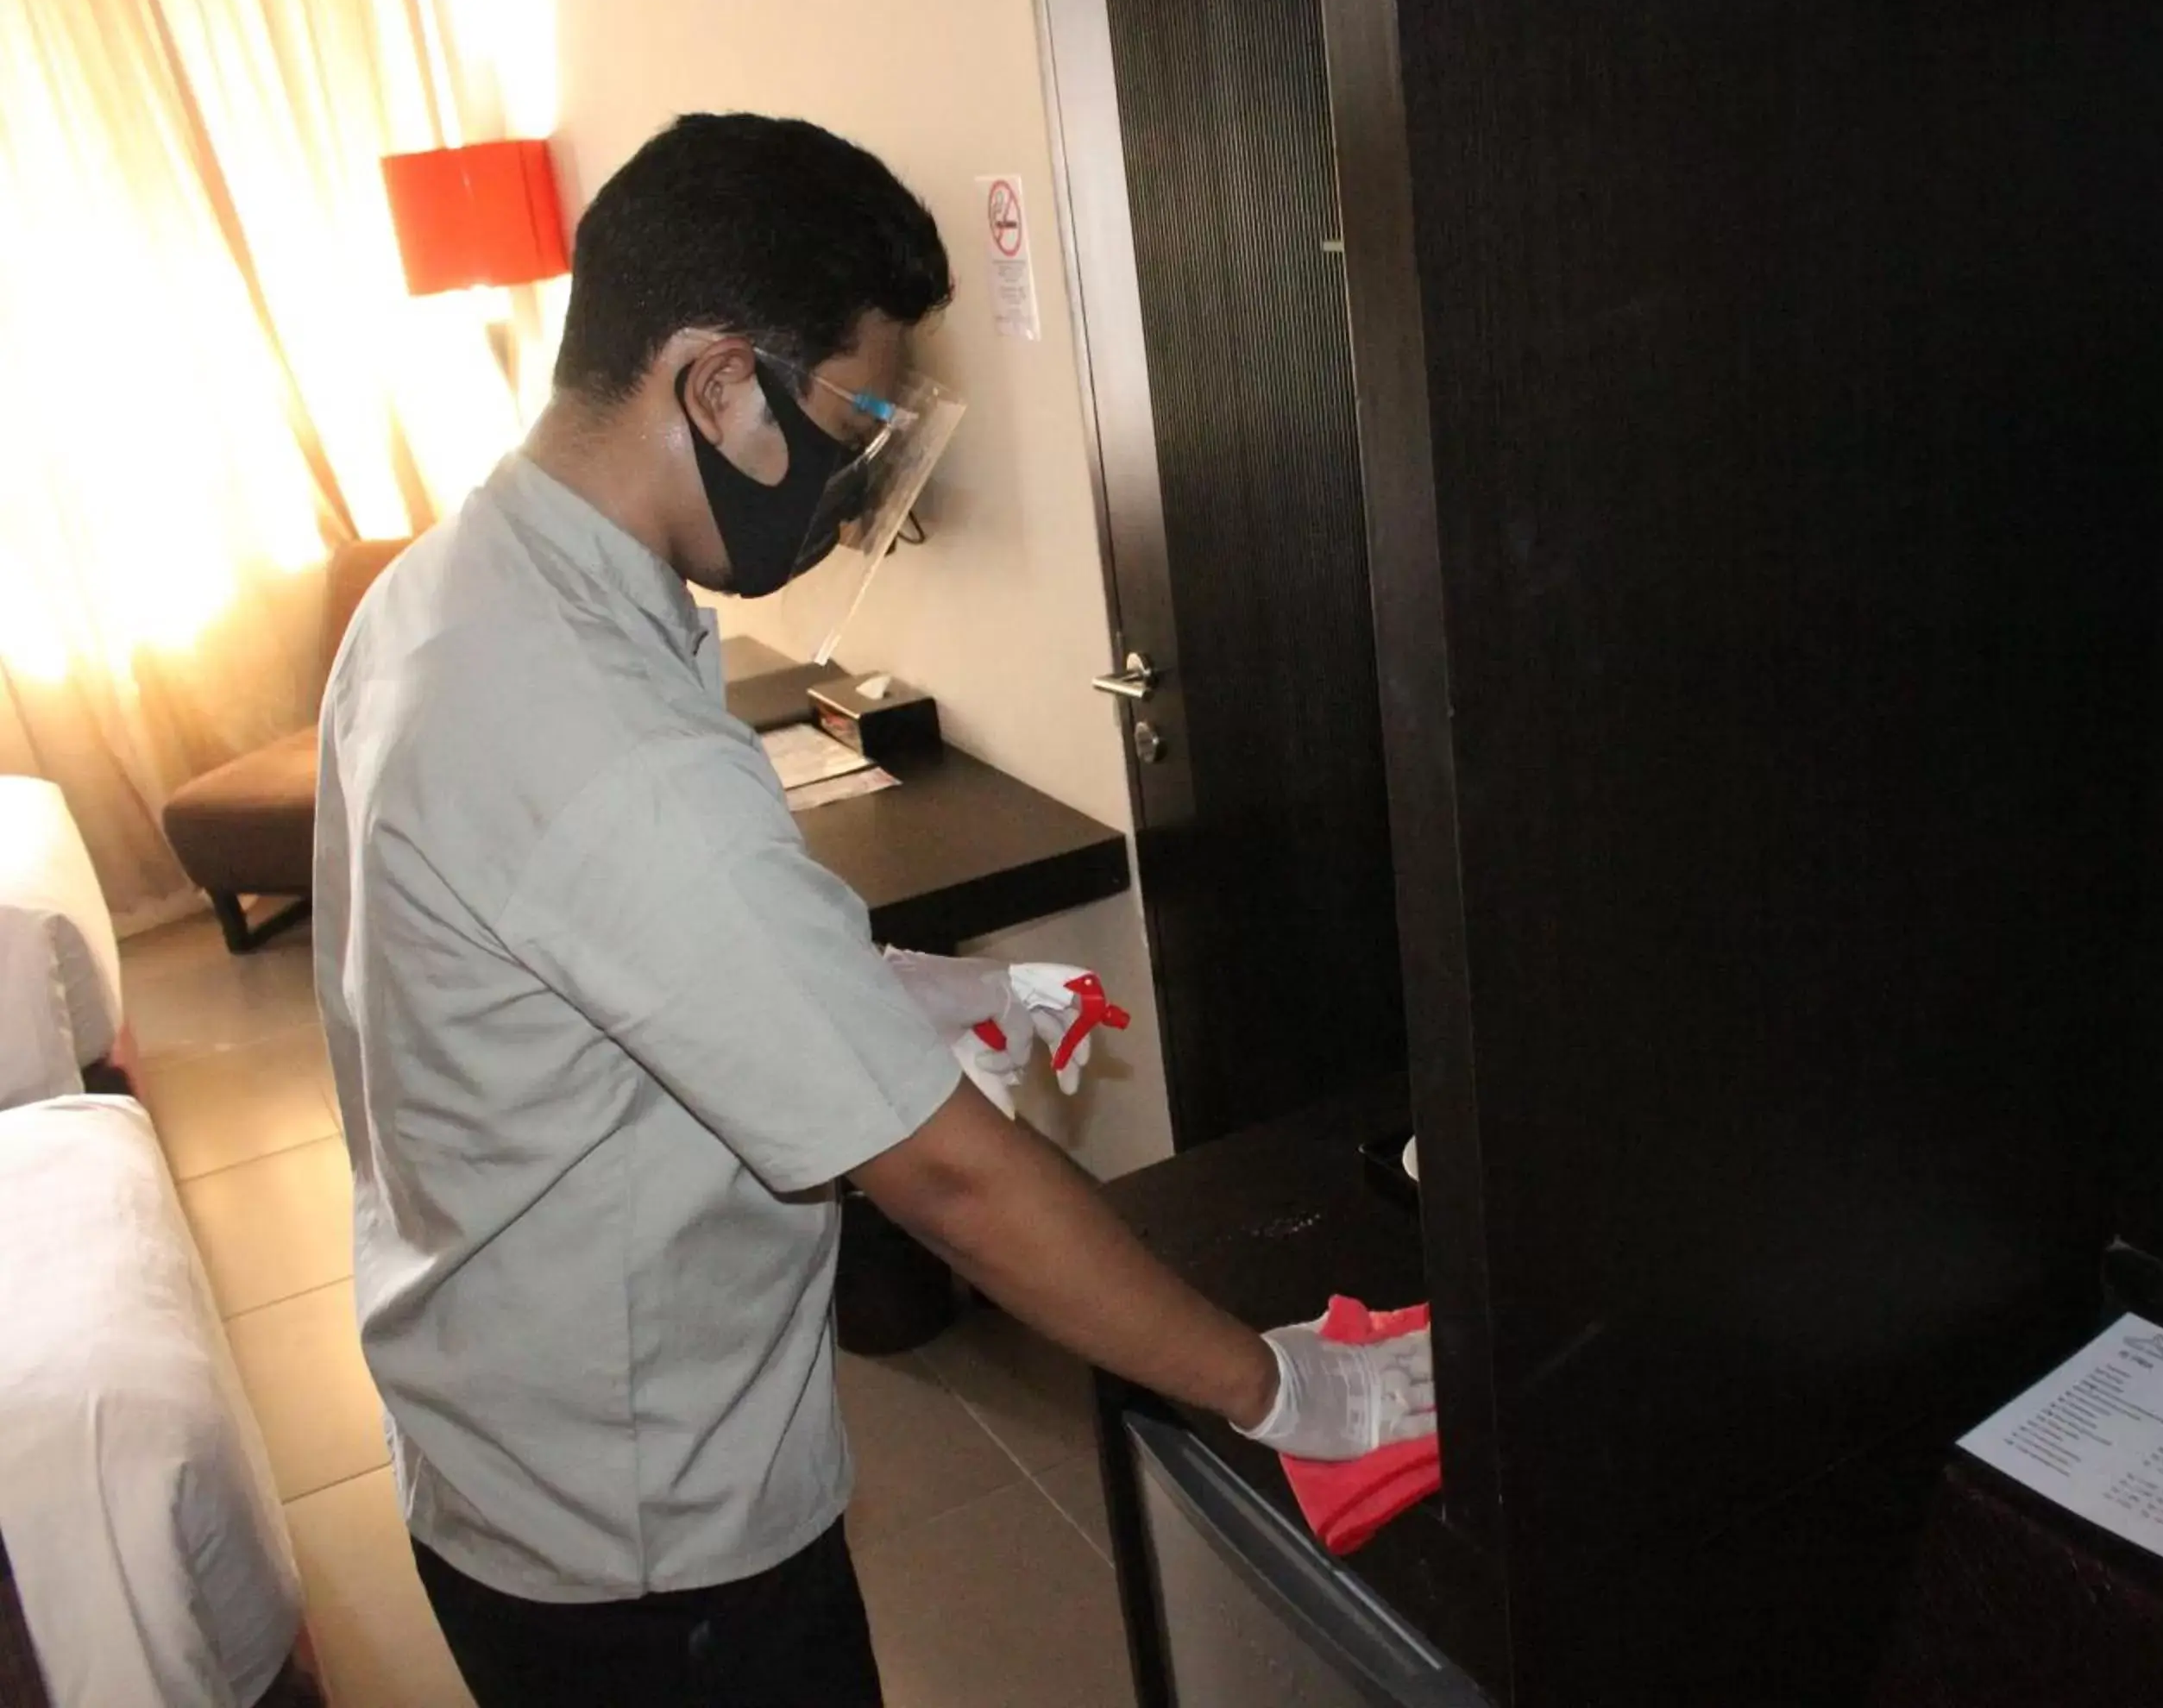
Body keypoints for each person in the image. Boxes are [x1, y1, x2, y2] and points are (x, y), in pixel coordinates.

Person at [311, 113, 1434, 1707]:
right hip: (646, 1542)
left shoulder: (447, 592)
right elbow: (954, 1185)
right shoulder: (596, 735)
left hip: (501, 1428)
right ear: (715, 383)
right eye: (850, 417)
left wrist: (891, 989)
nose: (850, 481)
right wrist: (1281, 1391)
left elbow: (574, 967)